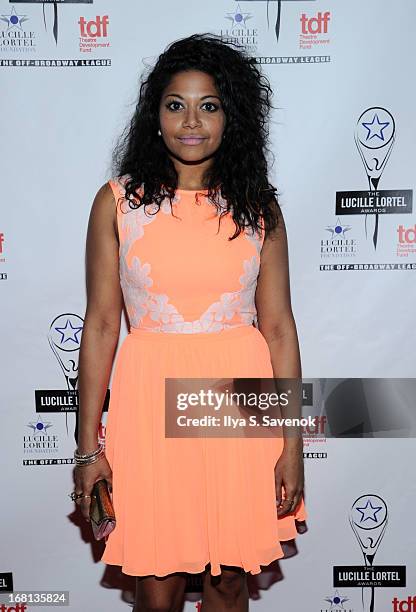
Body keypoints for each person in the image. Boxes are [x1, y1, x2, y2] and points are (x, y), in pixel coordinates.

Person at [72, 33, 307, 612]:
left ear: (232, 118)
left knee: (231, 581)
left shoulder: (258, 208)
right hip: (149, 403)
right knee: (158, 586)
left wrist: (293, 441)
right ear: (155, 116)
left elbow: (278, 327)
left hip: (239, 401)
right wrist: (87, 448)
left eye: (210, 105)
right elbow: (102, 325)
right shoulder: (117, 203)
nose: (191, 120)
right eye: (176, 104)